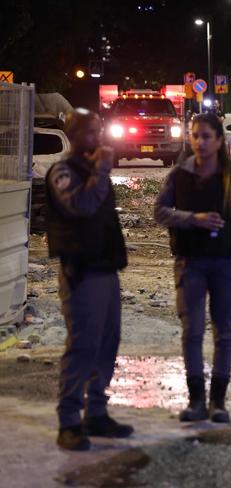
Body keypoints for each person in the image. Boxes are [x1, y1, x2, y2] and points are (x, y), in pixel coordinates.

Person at [154, 112, 231, 424]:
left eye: (206, 136)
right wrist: (193, 219)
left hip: (226, 263)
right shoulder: (180, 175)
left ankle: (218, 401)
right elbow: (160, 211)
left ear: (219, 140)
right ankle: (196, 401)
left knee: (224, 331)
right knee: (192, 331)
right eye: (195, 136)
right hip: (190, 263)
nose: (200, 142)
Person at [45, 108, 133, 451]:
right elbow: (81, 205)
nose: (99, 139)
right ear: (75, 134)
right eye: (92, 132)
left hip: (105, 268)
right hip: (81, 272)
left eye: (100, 131)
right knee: (82, 346)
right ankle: (69, 421)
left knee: (107, 343)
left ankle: (96, 413)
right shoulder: (63, 171)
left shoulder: (90, 168)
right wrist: (100, 170)